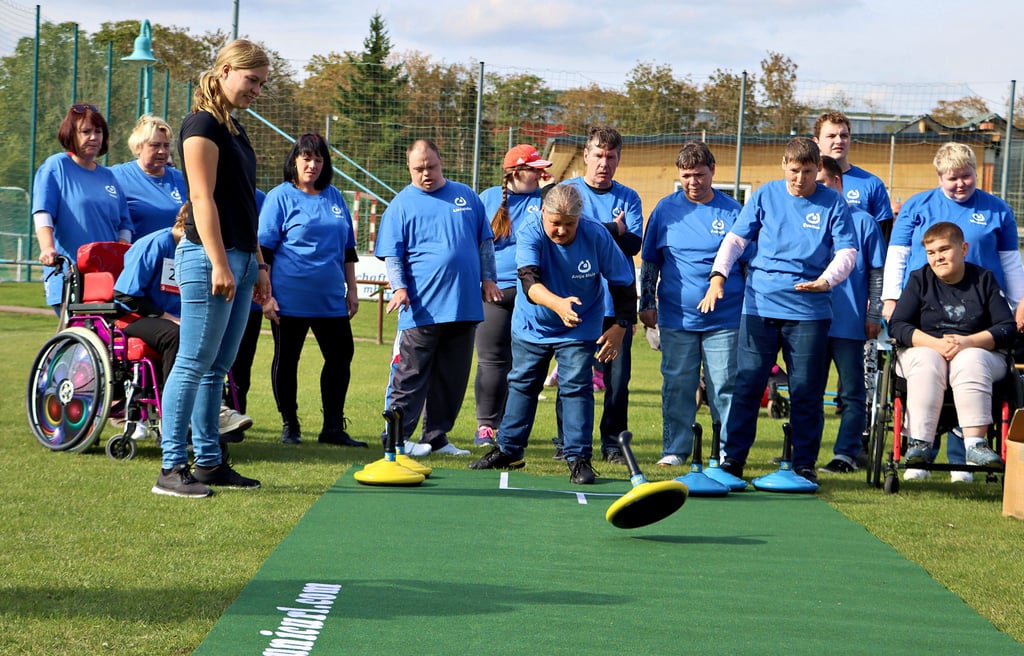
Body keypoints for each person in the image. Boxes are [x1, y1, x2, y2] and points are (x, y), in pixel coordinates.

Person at [698, 137, 858, 486]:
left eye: (807, 171)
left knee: (806, 390)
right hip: (760, 305)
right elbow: (736, 240)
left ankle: (803, 465)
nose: (799, 178)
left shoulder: (833, 203)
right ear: (783, 165)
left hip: (810, 310)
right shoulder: (765, 195)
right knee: (748, 385)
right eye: (794, 170)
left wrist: (826, 281)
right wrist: (718, 276)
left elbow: (847, 252)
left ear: (818, 168)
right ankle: (733, 461)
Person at [153, 39, 271, 498]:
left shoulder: (234, 128)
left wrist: (258, 265)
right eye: (252, 80)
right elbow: (201, 199)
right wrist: (220, 262)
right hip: (208, 258)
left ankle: (208, 462)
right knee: (192, 362)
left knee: (217, 367)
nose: (257, 90)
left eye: (262, 83)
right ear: (224, 71)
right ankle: (170, 467)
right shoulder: (200, 124)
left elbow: (243, 205)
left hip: (242, 260)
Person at [469, 183, 636, 484]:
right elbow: (529, 281)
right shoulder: (531, 230)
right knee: (522, 382)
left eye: (568, 224)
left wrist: (620, 327)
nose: (560, 230)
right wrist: (558, 304)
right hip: (533, 322)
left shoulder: (596, 235)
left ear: (580, 218)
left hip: (579, 324)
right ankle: (509, 449)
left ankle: (578, 458)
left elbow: (623, 281)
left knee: (576, 386)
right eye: (555, 223)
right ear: (543, 212)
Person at [882, 142, 1024, 481]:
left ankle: (969, 454)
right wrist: (890, 298)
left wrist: (1019, 304)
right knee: (926, 364)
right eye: (952, 178)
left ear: (976, 172)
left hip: (980, 310)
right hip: (924, 309)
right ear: (939, 177)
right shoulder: (918, 206)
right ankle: (920, 451)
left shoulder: (997, 210)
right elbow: (898, 253)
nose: (960, 183)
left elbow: (1010, 262)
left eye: (966, 176)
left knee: (971, 363)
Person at [376, 139, 500, 456]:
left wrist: (488, 279)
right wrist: (400, 288)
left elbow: (485, 243)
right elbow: (393, 256)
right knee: (410, 378)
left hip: (463, 307)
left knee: (451, 379)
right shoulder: (401, 205)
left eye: (431, 166)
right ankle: (396, 440)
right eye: (418, 169)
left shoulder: (467, 198)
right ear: (409, 168)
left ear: (440, 162)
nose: (426, 174)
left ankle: (436, 437)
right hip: (421, 310)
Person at [639, 141, 745, 467]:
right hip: (676, 316)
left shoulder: (733, 211)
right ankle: (675, 449)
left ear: (713, 171)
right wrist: (646, 301)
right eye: (686, 175)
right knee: (677, 384)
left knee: (724, 385)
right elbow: (650, 260)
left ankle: (726, 453)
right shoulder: (665, 210)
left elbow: (748, 262)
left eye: (699, 175)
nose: (693, 182)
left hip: (725, 317)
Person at [259, 133, 366, 448]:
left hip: (330, 299)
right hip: (288, 299)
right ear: (294, 161)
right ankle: (289, 424)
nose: (312, 164)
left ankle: (332, 426)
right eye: (306, 158)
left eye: (318, 159)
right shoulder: (279, 197)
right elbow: (263, 250)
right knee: (287, 359)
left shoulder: (334, 197)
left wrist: (352, 290)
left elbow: (348, 250)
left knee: (340, 356)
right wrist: (267, 296)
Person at [113, 203, 253, 437]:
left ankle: (214, 411)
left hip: (178, 318)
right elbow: (125, 295)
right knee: (178, 337)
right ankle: (179, 415)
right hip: (134, 316)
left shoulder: (202, 253)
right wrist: (168, 318)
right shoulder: (156, 244)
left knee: (212, 337)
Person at [889, 222, 1012, 470]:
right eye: (931, 252)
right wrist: (935, 344)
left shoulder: (984, 280)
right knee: (927, 358)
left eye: (944, 249)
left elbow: (1006, 328)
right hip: (927, 352)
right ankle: (920, 443)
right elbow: (897, 325)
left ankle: (976, 444)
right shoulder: (919, 279)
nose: (938, 258)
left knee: (970, 359)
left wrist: (968, 342)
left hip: (978, 354)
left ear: (964, 248)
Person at [563, 126, 643, 464]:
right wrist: (612, 230)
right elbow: (565, 234)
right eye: (598, 155)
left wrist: (591, 231)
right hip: (576, 303)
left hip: (615, 306)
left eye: (611, 157)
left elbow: (634, 243)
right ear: (585, 156)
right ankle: (566, 441)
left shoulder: (629, 197)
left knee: (618, 381)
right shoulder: (566, 191)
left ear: (618, 159)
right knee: (573, 377)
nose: (604, 163)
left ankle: (612, 444)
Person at [472, 144, 553, 448]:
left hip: (531, 292)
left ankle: (511, 428)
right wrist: (485, 279)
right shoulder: (488, 198)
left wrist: (550, 189)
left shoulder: (545, 197)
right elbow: (474, 243)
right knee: (492, 361)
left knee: (524, 364)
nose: (542, 174)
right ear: (517, 172)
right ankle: (486, 427)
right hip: (493, 291)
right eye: (536, 169)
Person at [815, 156, 886, 474]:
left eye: (822, 183)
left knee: (853, 391)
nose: (815, 190)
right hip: (809, 320)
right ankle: (802, 453)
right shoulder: (809, 217)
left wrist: (875, 313)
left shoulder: (864, 222)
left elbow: (876, 273)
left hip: (849, 321)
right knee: (807, 389)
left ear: (838, 183)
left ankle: (846, 453)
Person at [33, 103, 132, 312]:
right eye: (86, 132)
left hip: (106, 278)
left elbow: (125, 224)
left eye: (98, 132)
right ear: (71, 134)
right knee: (79, 337)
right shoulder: (56, 166)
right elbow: (43, 212)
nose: (94, 137)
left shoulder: (108, 176)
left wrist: (122, 253)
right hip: (70, 274)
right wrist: (47, 248)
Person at [812, 110, 894, 239]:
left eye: (844, 135)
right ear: (816, 141)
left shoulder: (872, 183)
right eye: (831, 136)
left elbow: (883, 236)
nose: (839, 141)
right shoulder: (805, 180)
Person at [110, 114, 187, 238]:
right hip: (139, 254)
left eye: (166, 145)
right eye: (155, 145)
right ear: (138, 147)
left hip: (176, 255)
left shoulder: (181, 179)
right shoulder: (117, 176)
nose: (162, 151)